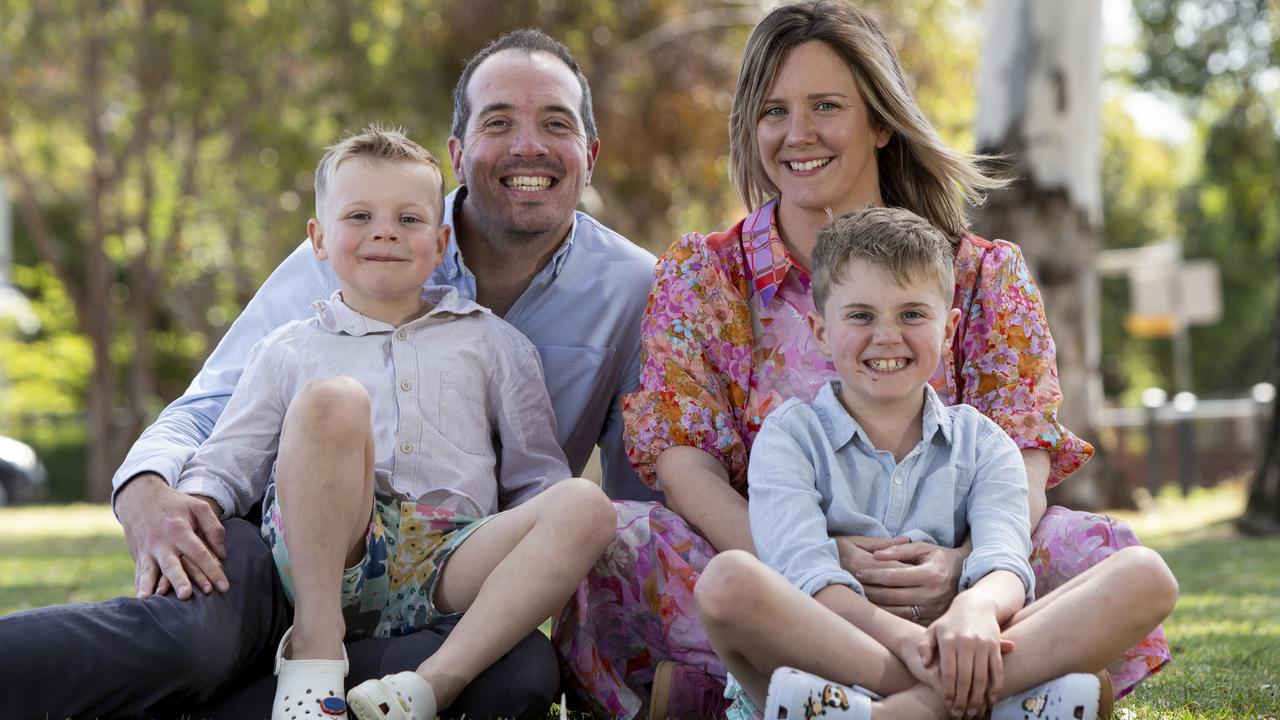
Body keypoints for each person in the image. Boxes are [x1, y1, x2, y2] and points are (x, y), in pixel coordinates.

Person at [0, 29, 657, 720]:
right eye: (499, 121)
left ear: (591, 155)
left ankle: (359, 694)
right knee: (194, 642)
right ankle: (297, 658)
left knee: (520, 677)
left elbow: (621, 492)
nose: (527, 145)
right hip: (291, 549)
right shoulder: (338, 256)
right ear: (460, 154)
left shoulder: (626, 289)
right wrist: (151, 491)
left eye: (555, 122)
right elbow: (218, 408)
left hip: (446, 567)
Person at [553, 2, 1170, 717]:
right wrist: (812, 559)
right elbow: (682, 463)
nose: (797, 134)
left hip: (961, 561)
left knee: (1094, 550)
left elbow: (1021, 454)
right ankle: (992, 691)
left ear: (881, 122)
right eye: (774, 111)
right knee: (622, 548)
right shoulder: (704, 273)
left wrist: (960, 570)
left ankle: (837, 701)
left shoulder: (980, 273)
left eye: (825, 106)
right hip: (777, 564)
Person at [173, 125, 615, 720]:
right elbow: (227, 463)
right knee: (334, 400)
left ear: (439, 244)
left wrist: (541, 545)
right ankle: (314, 655)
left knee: (585, 503)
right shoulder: (289, 349)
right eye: (359, 215)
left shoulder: (494, 343)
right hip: (332, 554)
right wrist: (191, 501)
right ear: (320, 239)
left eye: (408, 220)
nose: (384, 231)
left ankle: (427, 688)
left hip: (447, 559)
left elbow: (537, 480)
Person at [694, 206, 1177, 720]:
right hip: (830, 659)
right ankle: (980, 702)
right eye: (860, 315)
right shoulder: (790, 436)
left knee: (1145, 575)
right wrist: (912, 646)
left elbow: (1003, 559)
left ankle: (896, 715)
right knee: (727, 582)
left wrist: (975, 609)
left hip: (957, 646)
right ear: (818, 331)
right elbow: (804, 576)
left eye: (911, 314)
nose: (886, 336)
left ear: (947, 331)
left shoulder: (984, 443)